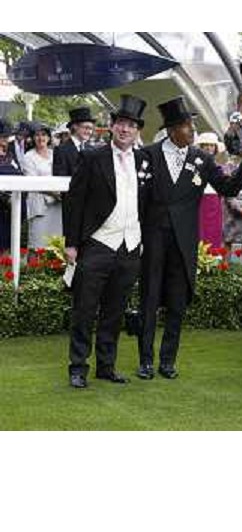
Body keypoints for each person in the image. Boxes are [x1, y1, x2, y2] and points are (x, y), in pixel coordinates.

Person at [136, 96, 242, 380]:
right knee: (149, 299)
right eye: (188, 126)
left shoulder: (202, 159)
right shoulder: (148, 155)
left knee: (177, 302)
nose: (192, 131)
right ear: (172, 129)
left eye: (192, 126)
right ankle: (145, 361)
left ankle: (168, 361)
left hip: (184, 241)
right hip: (153, 239)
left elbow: (228, 187)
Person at [64, 94, 148, 388]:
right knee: (85, 310)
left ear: (138, 130)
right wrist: (71, 243)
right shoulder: (92, 157)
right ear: (112, 127)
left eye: (131, 125)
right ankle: (78, 367)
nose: (125, 130)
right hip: (98, 243)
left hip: (130, 247)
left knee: (114, 311)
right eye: (121, 124)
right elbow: (74, 202)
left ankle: (106, 366)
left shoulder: (144, 160)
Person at [22, 122, 62, 248]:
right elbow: (32, 181)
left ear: (49, 137)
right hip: (39, 205)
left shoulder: (55, 153)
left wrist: (59, 194)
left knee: (56, 243)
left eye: (44, 135)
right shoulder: (28, 156)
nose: (41, 138)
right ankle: (33, 268)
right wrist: (53, 193)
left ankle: (55, 268)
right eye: (37, 135)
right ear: (33, 138)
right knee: (38, 243)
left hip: (57, 204)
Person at [195, 131, 225, 249]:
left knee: (213, 233)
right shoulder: (195, 164)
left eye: (211, 145)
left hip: (214, 202)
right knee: (199, 233)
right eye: (205, 145)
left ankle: (213, 263)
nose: (208, 148)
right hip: (199, 202)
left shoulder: (219, 167)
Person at [0, 119, 23, 251]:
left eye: (6, 136)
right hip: (3, 203)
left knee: (8, 245)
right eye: (3, 136)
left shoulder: (10, 155)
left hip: (11, 208)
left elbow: (20, 175)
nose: (5, 139)